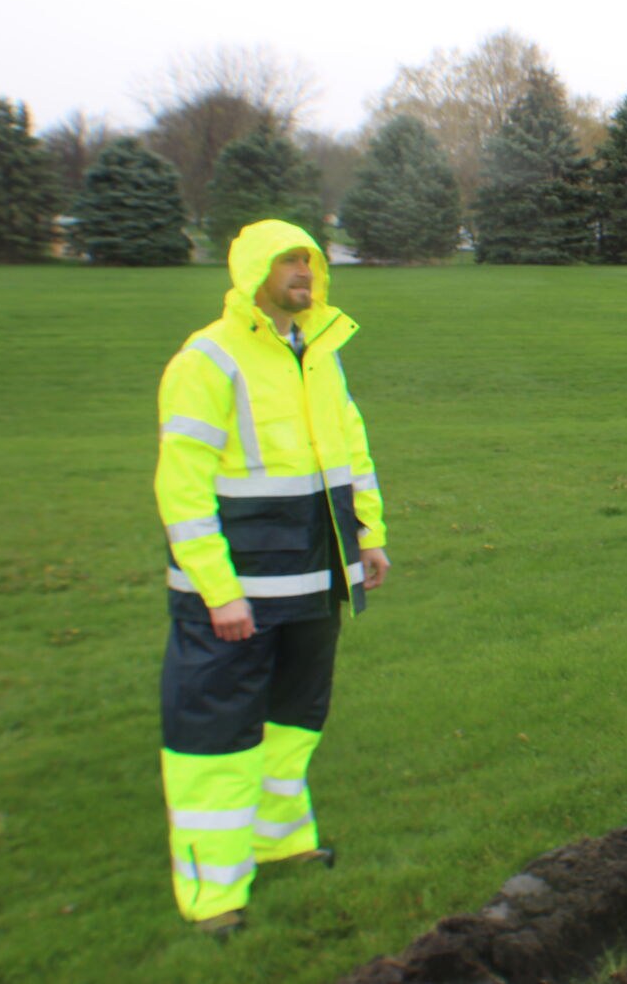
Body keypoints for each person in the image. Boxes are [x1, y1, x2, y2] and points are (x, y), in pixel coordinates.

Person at [154, 219, 391, 938]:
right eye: (289, 260)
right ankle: (213, 895)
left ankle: (279, 839)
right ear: (253, 270)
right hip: (239, 592)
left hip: (316, 581)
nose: (303, 271)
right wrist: (217, 589)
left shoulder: (318, 353)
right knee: (216, 735)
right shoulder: (208, 359)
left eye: (311, 260)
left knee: (293, 720)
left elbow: (350, 450)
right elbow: (182, 487)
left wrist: (368, 537)